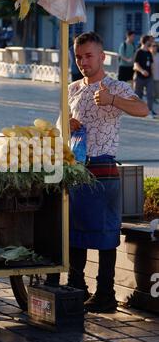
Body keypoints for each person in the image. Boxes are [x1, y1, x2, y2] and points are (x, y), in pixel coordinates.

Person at [63, 31, 148, 313]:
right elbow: (58, 126)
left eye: (88, 56)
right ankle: (76, 286)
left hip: (103, 168)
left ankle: (105, 292)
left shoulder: (116, 87)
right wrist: (68, 126)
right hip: (75, 169)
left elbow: (143, 109)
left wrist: (113, 100)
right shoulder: (72, 89)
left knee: (104, 233)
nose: (83, 62)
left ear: (102, 56)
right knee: (74, 231)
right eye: (78, 57)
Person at [133, 35, 156, 118]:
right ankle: (137, 111)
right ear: (146, 42)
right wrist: (142, 71)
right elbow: (135, 64)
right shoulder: (139, 52)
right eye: (149, 41)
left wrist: (152, 74)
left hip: (149, 78)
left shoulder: (149, 53)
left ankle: (149, 111)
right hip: (139, 77)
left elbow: (151, 65)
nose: (151, 42)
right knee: (138, 95)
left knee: (150, 94)